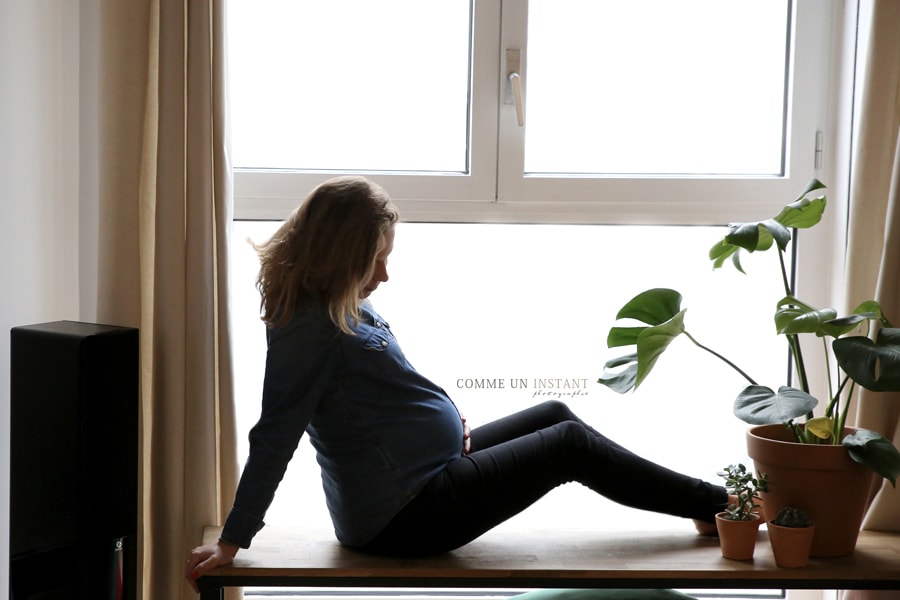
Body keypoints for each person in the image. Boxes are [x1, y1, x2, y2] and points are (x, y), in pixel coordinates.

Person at [185, 175, 729, 591]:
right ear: (343, 257)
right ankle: (721, 506)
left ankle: (706, 510)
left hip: (428, 476)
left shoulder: (340, 304)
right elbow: (275, 435)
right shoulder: (308, 332)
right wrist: (235, 538)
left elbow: (385, 396)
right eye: (377, 260)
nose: (384, 275)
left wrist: (442, 428)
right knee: (568, 446)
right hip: (403, 515)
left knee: (555, 414)